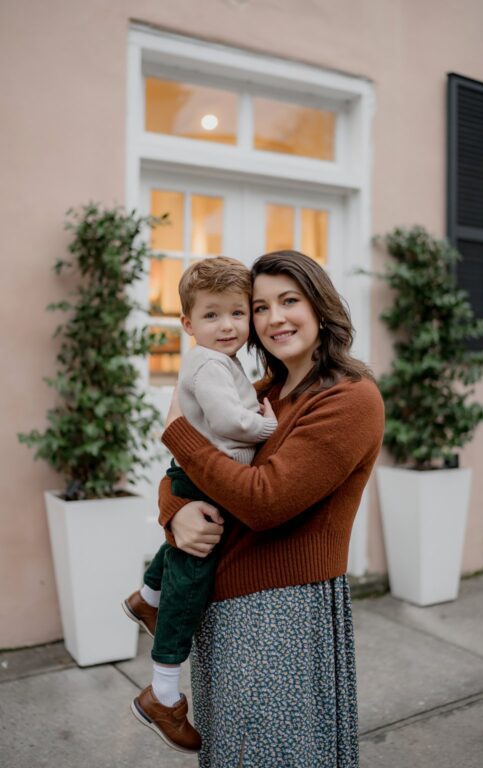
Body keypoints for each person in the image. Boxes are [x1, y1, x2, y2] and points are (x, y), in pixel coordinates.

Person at [155, 250, 383, 767]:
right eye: (260, 307)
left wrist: (178, 433)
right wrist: (175, 512)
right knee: (231, 749)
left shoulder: (350, 399)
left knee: (272, 752)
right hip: (224, 602)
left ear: (320, 307)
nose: (274, 318)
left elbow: (264, 500)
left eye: (289, 301)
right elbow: (190, 476)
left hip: (282, 609)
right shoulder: (264, 393)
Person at [123, 256, 277, 754]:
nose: (228, 325)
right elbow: (227, 421)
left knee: (182, 554)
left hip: (195, 476)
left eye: (237, 313)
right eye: (212, 315)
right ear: (187, 324)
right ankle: (163, 693)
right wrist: (265, 426)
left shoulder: (222, 361)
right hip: (201, 479)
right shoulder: (210, 362)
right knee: (190, 581)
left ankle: (146, 596)